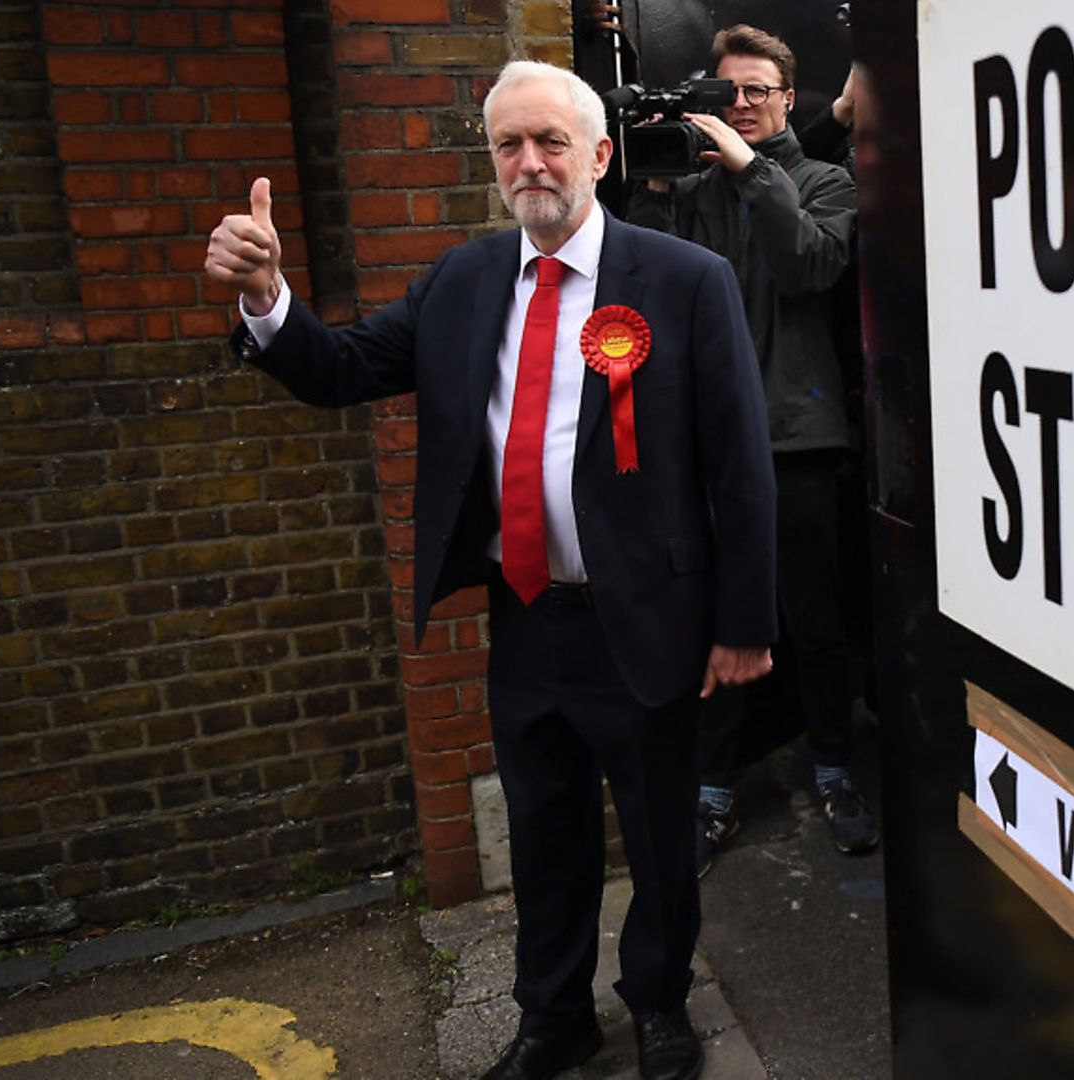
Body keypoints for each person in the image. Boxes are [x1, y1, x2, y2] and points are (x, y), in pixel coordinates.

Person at [204, 59, 776, 1080]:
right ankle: (550, 1017)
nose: (529, 162)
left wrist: (744, 623)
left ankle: (657, 1003)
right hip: (527, 621)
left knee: (657, 838)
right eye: (509, 144)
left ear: (598, 155)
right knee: (544, 836)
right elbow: (340, 370)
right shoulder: (462, 283)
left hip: (648, 619)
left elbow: (740, 463)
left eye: (550, 141)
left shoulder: (686, 281)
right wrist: (268, 298)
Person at [626, 24, 878, 877]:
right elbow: (644, 288)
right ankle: (713, 791)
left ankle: (838, 773)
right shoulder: (690, 194)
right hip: (704, 446)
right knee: (716, 623)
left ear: (784, 98)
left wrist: (749, 166)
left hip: (799, 440)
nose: (738, 103)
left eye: (756, 90)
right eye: (725, 91)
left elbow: (810, 266)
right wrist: (656, 185)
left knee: (816, 620)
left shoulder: (827, 182)